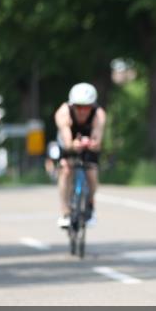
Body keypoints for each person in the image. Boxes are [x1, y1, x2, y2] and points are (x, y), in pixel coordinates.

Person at [54, 83, 106, 228]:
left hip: (88, 139)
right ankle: (65, 212)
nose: (83, 111)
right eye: (78, 107)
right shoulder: (63, 113)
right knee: (66, 170)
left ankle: (90, 203)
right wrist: (72, 145)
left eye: (87, 107)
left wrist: (93, 144)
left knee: (92, 172)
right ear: (72, 105)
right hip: (68, 140)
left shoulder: (99, 114)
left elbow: (97, 138)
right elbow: (66, 140)